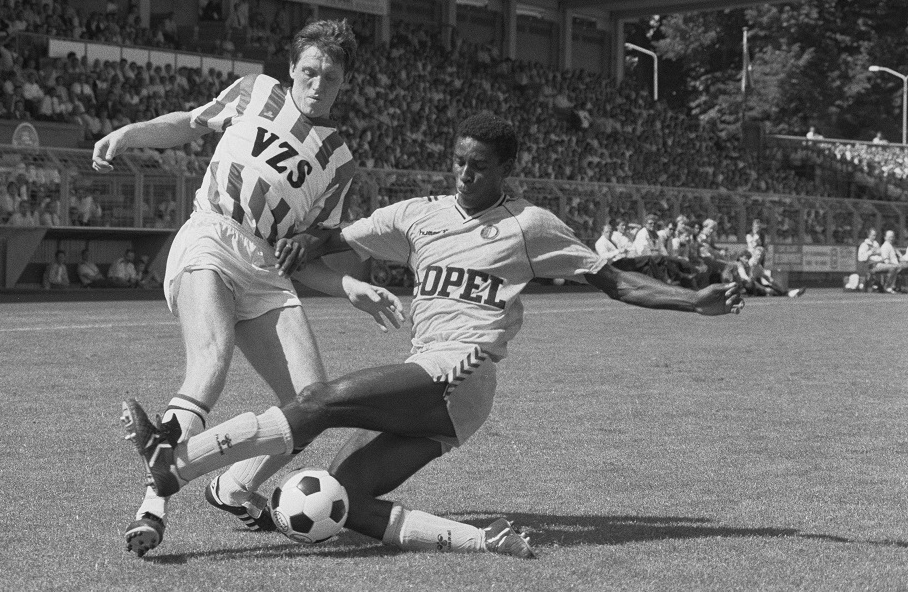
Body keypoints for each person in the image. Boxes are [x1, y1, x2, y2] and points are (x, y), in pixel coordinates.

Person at [120, 112, 744, 560]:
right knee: (346, 500)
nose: (465, 174)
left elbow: (614, 282)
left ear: (507, 169)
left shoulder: (530, 225)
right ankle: (487, 541)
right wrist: (299, 240)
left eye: (479, 166)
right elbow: (340, 237)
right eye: (459, 162)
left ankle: (175, 464)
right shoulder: (421, 215)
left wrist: (694, 300)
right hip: (433, 387)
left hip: (462, 374)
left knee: (319, 401)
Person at [93, 19, 398, 557]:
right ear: (292, 69)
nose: (317, 84)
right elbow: (187, 124)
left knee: (310, 406)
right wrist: (130, 133)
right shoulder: (257, 92)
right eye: (309, 71)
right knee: (211, 361)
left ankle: (232, 487)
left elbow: (299, 258)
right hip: (213, 234)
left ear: (344, 82)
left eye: (330, 76)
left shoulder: (340, 161)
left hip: (267, 273)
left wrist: (349, 285)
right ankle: (152, 508)